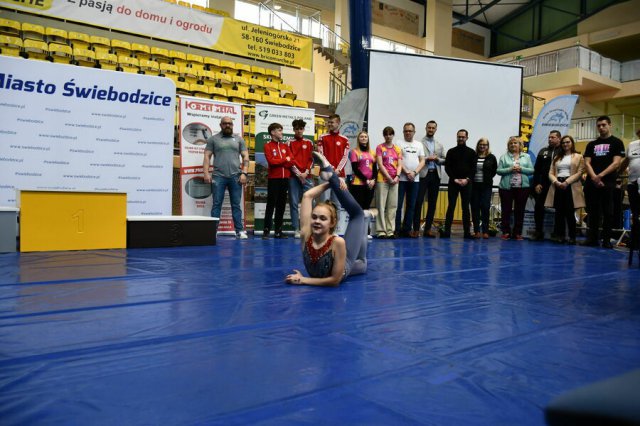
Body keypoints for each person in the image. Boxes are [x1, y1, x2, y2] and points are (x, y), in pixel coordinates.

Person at [285, 151, 371, 286]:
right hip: (338, 264)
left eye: (323, 219)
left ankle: (364, 218)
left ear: (332, 223)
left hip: (344, 267)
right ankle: (365, 219)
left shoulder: (338, 242)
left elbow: (335, 280)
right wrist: (331, 183)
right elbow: (307, 196)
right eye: (314, 217)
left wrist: (303, 280)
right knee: (362, 266)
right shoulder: (306, 234)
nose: (317, 221)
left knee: (357, 215)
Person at [581, 115, 625, 248]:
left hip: (608, 182)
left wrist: (600, 176)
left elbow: (616, 163)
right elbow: (587, 163)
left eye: (604, 125)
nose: (601, 127)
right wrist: (594, 177)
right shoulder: (591, 144)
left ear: (609, 125)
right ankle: (592, 239)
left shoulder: (617, 142)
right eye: (599, 125)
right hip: (591, 183)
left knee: (608, 212)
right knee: (593, 212)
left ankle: (606, 240)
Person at [203, 116, 250, 239]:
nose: (227, 125)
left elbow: (245, 157)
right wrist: (206, 173)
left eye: (230, 123)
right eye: (225, 123)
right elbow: (207, 156)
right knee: (216, 204)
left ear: (232, 125)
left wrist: (244, 173)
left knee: (236, 205)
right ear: (221, 125)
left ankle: (239, 231)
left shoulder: (239, 139)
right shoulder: (213, 139)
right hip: (218, 176)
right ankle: (212, 231)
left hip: (236, 176)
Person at [544, 135, 585, 244]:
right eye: (563, 143)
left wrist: (567, 182)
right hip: (558, 185)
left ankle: (572, 237)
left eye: (568, 142)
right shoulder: (557, 157)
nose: (565, 144)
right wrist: (556, 182)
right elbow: (550, 173)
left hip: (570, 185)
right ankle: (560, 236)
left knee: (570, 212)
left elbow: (580, 172)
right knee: (559, 213)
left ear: (572, 143)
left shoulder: (578, 156)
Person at [496, 136, 534, 240]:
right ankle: (506, 232)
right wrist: (509, 169)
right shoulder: (504, 157)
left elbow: (531, 170)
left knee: (520, 210)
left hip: (522, 188)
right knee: (506, 210)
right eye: (511, 143)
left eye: (515, 143)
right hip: (506, 188)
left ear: (520, 145)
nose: (513, 145)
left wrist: (521, 169)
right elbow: (498, 171)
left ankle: (517, 233)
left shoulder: (526, 157)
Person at [441, 129, 476, 239]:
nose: (461, 139)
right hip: (453, 183)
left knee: (465, 208)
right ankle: (447, 232)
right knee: (451, 207)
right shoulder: (451, 151)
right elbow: (447, 167)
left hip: (467, 183)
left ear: (467, 138)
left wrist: (467, 179)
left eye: (463, 137)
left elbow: (473, 168)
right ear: (457, 137)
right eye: (459, 137)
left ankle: (467, 233)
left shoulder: (472, 152)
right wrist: (454, 178)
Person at [414, 120, 445, 238]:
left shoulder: (439, 145)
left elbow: (445, 159)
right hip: (423, 174)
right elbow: (416, 158)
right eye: (429, 128)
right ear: (426, 128)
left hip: (435, 175)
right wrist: (426, 159)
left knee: (432, 203)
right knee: (418, 202)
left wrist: (437, 159)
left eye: (433, 128)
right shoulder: (419, 143)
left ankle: (427, 229)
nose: (431, 130)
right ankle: (416, 229)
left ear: (436, 129)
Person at [263, 122, 293, 239]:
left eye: (281, 130)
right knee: (271, 204)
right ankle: (266, 230)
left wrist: (283, 160)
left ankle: (278, 231)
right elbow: (271, 162)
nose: (282, 132)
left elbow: (292, 161)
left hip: (285, 179)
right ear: (273, 132)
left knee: (281, 205)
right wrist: (285, 159)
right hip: (274, 179)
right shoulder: (268, 146)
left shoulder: (285, 146)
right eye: (279, 130)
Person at [396, 123, 425, 237]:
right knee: (398, 205)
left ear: (414, 132)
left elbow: (422, 160)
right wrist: (407, 171)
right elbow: (397, 160)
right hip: (402, 178)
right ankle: (397, 229)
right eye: (406, 131)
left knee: (411, 205)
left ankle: (406, 229)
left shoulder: (419, 144)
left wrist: (414, 172)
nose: (408, 133)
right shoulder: (398, 143)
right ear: (403, 132)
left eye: (410, 131)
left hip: (415, 179)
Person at [532, 130, 562, 241]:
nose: (550, 139)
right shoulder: (543, 151)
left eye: (553, 137)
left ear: (559, 138)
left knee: (559, 209)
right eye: (549, 137)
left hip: (558, 184)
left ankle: (558, 233)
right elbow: (537, 170)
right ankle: (538, 232)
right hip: (543, 184)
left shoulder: (563, 151)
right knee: (538, 207)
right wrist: (536, 184)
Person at [288, 119, 314, 239]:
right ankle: (296, 229)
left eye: (301, 128)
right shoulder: (289, 143)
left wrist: (306, 172)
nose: (299, 131)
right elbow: (290, 160)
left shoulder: (309, 142)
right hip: (294, 177)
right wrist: (299, 174)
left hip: (307, 177)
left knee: (311, 202)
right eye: (297, 128)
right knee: (293, 203)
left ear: (304, 129)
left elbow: (311, 159)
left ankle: (308, 227)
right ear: (294, 129)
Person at [375, 126, 402, 239]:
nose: (388, 136)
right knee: (381, 205)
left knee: (392, 206)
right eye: (386, 134)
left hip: (395, 181)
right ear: (384, 135)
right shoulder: (380, 147)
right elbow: (380, 165)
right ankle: (381, 231)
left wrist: (397, 176)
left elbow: (400, 165)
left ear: (393, 135)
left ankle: (390, 230)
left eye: (390, 134)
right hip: (383, 179)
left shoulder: (397, 149)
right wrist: (388, 177)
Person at [316, 113, 349, 205]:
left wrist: (338, 170)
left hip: (339, 175)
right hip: (325, 174)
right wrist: (332, 169)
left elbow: (345, 157)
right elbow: (321, 155)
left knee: (337, 204)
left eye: (332, 122)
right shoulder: (322, 137)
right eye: (328, 122)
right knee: (324, 203)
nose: (329, 124)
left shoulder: (345, 139)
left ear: (338, 123)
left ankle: (336, 220)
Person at [470, 137, 497, 239]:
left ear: (487, 146)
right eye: (480, 144)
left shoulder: (491, 157)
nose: (482, 146)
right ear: (478, 145)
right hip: (474, 186)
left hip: (486, 186)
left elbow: (493, 171)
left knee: (485, 207)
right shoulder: (473, 156)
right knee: (475, 208)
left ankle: (485, 231)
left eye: (484, 145)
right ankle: (476, 231)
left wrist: (486, 179)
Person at [620, 129, 640, 250]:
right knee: (635, 215)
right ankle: (636, 242)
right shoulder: (632, 145)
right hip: (633, 184)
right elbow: (626, 161)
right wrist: (617, 173)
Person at [349, 131, 376, 210]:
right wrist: (366, 180)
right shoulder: (354, 152)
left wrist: (373, 180)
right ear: (358, 139)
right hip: (358, 183)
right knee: (358, 208)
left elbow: (375, 169)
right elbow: (355, 169)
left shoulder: (372, 152)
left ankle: (365, 223)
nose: (363, 138)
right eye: (361, 137)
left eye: (365, 137)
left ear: (368, 139)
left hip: (370, 184)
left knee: (366, 207)